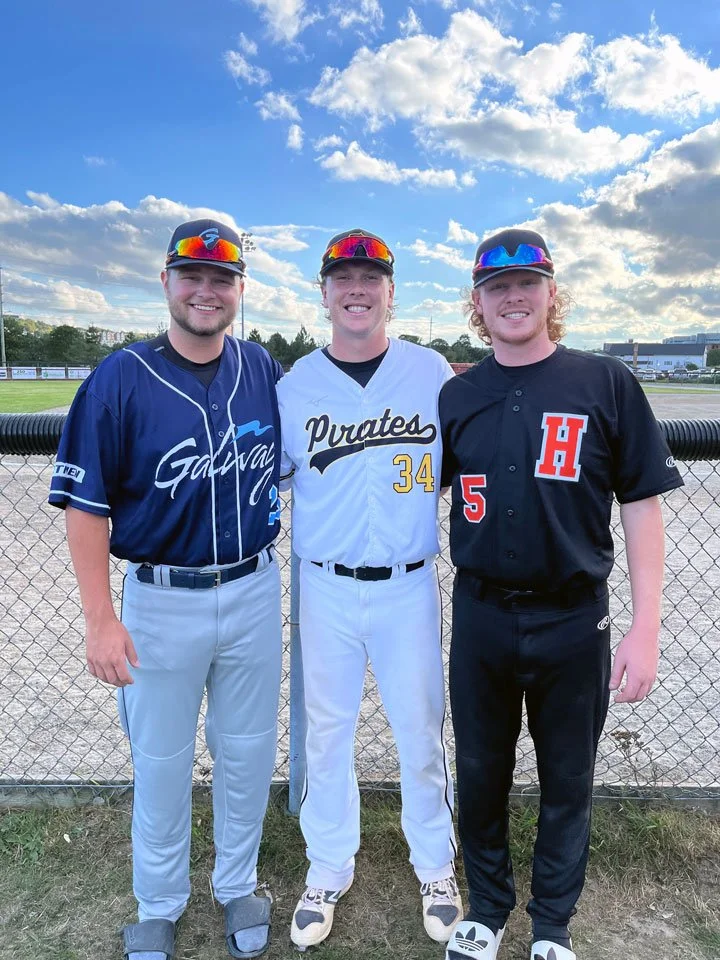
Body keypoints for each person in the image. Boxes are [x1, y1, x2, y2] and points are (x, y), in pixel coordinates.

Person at [440, 228, 684, 960]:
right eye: (497, 288)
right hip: (482, 613)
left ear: (552, 294)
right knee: (482, 771)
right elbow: (424, 496)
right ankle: (486, 909)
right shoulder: (457, 395)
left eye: (528, 283)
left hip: (575, 616)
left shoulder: (604, 381)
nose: (513, 297)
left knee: (567, 777)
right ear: (478, 307)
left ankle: (552, 924)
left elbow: (642, 504)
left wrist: (646, 630)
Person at [49, 218, 284, 960]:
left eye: (222, 278)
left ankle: (238, 884)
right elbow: (87, 510)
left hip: (253, 589)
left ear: (241, 290)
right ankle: (158, 900)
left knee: (246, 751)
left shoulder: (264, 369)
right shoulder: (119, 377)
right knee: (160, 758)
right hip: (159, 597)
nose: (207, 290)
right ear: (167, 283)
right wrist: (99, 620)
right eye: (193, 275)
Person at [277, 229, 461, 950]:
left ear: (391, 291)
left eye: (371, 276)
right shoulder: (295, 385)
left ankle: (436, 865)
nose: (357, 288)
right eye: (342, 276)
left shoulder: (431, 374)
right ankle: (328, 865)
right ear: (323, 292)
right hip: (324, 584)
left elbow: (456, 468)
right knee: (326, 732)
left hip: (409, 584)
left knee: (421, 729)